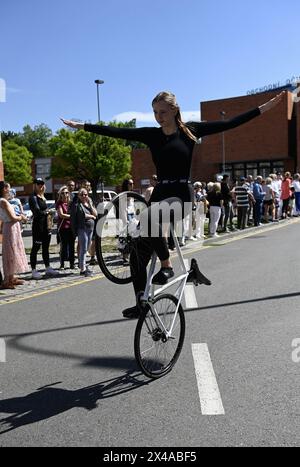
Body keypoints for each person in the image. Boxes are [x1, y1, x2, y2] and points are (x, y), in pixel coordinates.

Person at [62, 90, 285, 318]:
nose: (159, 116)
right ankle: (141, 302)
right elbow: (116, 131)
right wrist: (81, 126)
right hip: (161, 194)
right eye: (155, 112)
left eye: (163, 112)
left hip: (181, 195)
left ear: (174, 110)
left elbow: (230, 123)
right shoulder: (152, 135)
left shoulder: (190, 131)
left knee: (149, 217)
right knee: (138, 252)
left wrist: (264, 108)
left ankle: (167, 266)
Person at [0, 181, 29, 289]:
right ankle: (7, 280)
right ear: (4, 189)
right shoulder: (3, 201)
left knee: (13, 251)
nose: (10, 191)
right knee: (10, 252)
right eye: (9, 188)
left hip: (11, 227)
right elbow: (12, 217)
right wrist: (22, 217)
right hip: (11, 227)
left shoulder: (4, 201)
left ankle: (11, 277)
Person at [29, 178, 58, 279]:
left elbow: (44, 210)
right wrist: (47, 212)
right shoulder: (33, 197)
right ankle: (33, 270)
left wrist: (49, 212)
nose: (40, 186)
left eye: (42, 184)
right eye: (38, 184)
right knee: (36, 248)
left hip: (46, 226)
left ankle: (48, 267)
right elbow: (36, 211)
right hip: (38, 226)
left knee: (46, 248)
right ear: (35, 185)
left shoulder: (43, 197)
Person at [70, 188, 97, 276]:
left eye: (85, 194)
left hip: (90, 228)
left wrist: (90, 205)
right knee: (83, 248)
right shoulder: (77, 204)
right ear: (78, 196)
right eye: (82, 194)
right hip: (82, 228)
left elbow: (95, 213)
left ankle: (84, 265)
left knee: (87, 247)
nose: (84, 196)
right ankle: (83, 269)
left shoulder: (89, 203)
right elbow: (82, 215)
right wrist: (92, 217)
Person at [56, 186, 75, 269]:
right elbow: (61, 214)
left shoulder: (71, 203)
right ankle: (62, 264)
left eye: (66, 193)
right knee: (63, 246)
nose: (65, 194)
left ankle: (72, 264)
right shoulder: (59, 203)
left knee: (72, 246)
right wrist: (72, 216)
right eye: (63, 193)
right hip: (63, 227)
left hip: (72, 227)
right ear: (60, 194)